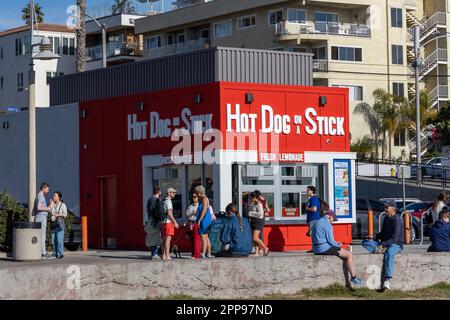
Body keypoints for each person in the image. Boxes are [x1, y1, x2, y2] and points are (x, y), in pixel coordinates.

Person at [311, 210, 363, 287]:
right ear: (329, 217)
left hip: (315, 248)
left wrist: (336, 244)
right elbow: (331, 241)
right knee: (349, 255)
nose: (333, 221)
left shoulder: (316, 222)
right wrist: (339, 245)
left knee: (343, 251)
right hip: (324, 248)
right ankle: (353, 277)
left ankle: (353, 277)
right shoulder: (327, 224)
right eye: (334, 219)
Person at [362, 200, 404, 291]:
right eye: (385, 207)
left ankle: (387, 280)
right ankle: (376, 250)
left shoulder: (398, 220)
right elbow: (383, 234)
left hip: (395, 244)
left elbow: (395, 238)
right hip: (384, 244)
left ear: (393, 209)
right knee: (365, 242)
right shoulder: (386, 218)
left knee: (390, 253)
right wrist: (373, 237)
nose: (385, 209)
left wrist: (382, 244)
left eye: (387, 208)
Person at [33, 183, 53, 258]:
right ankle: (42, 252)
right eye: (47, 189)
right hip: (41, 217)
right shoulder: (41, 196)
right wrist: (48, 209)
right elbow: (39, 207)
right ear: (43, 188)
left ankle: (42, 251)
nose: (48, 191)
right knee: (42, 235)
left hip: (41, 217)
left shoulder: (40, 196)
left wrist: (49, 205)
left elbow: (41, 207)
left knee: (41, 235)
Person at [248, 192, 269, 257]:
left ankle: (265, 248)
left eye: (252, 198)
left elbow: (261, 214)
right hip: (253, 220)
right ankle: (256, 253)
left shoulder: (259, 204)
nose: (251, 199)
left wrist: (251, 213)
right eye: (250, 197)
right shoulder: (251, 202)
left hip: (259, 221)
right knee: (254, 238)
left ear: (256, 198)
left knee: (255, 238)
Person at [195, 185, 213, 258]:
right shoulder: (202, 199)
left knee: (203, 237)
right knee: (206, 237)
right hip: (205, 220)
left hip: (205, 221)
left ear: (199, 192)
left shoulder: (204, 199)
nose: (196, 195)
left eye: (196, 193)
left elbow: (204, 210)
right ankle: (208, 253)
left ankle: (203, 253)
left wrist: (199, 220)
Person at [161, 187, 179, 261]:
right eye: (173, 192)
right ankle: (167, 255)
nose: (175, 194)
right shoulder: (169, 201)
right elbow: (170, 213)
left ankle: (163, 255)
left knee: (164, 239)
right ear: (169, 193)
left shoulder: (163, 200)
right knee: (168, 239)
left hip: (163, 222)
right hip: (168, 222)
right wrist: (175, 222)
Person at [50, 191, 68, 259]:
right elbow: (49, 211)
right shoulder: (52, 204)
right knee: (53, 240)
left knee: (59, 240)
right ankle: (55, 253)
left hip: (60, 223)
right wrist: (51, 203)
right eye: (53, 195)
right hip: (53, 223)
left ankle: (61, 253)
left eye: (55, 196)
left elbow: (65, 214)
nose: (53, 197)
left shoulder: (62, 205)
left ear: (59, 197)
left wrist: (58, 215)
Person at [145, 187, 162, 259]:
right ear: (159, 192)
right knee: (155, 237)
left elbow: (147, 210)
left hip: (151, 220)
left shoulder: (150, 199)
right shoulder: (155, 200)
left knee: (153, 237)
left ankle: (155, 253)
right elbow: (156, 211)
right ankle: (154, 253)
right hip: (154, 221)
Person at [186, 193, 201, 259]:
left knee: (196, 239)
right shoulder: (190, 206)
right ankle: (193, 253)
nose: (194, 198)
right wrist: (192, 213)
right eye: (193, 197)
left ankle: (196, 254)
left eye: (195, 197)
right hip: (190, 223)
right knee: (191, 239)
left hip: (196, 223)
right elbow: (187, 215)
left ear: (198, 198)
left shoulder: (200, 205)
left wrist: (197, 213)